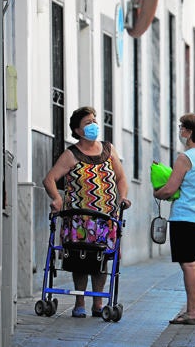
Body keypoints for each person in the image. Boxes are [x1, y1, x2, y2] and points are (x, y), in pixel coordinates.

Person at [43, 106, 131, 318]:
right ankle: (79, 301)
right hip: (79, 220)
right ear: (78, 130)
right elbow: (49, 179)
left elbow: (120, 178)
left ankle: (98, 302)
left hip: (106, 218)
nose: (93, 125)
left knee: (101, 259)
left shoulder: (109, 150)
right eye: (88, 123)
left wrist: (122, 198)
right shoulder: (71, 154)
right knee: (79, 260)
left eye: (94, 121)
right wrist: (57, 198)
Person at [153, 113, 195, 325]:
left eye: (182, 127)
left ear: (189, 132)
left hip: (185, 218)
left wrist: (158, 192)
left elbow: (171, 189)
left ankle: (191, 313)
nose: (180, 131)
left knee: (188, 265)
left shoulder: (185, 158)